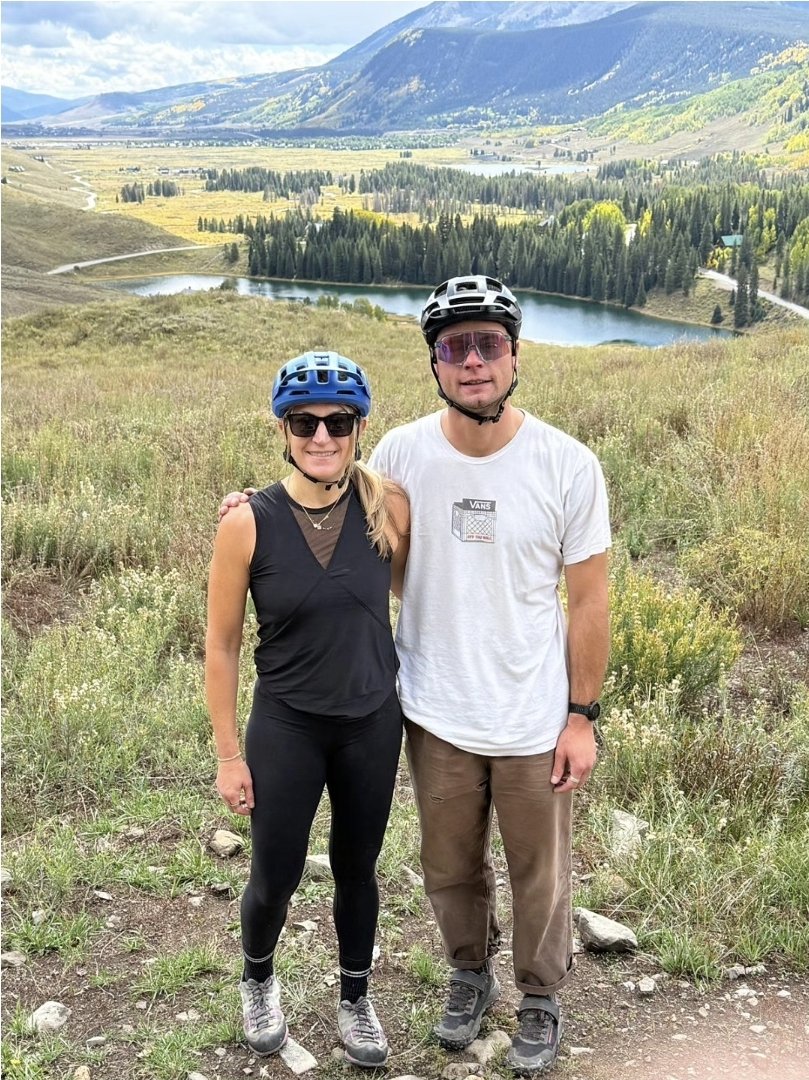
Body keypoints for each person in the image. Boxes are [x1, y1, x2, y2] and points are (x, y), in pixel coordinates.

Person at [221, 276, 611, 1075]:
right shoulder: (399, 456)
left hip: (533, 712)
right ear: (434, 363)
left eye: (488, 343)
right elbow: (322, 499)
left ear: (514, 354)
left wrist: (581, 714)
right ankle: (468, 974)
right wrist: (245, 509)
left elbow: (589, 601)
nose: (473, 362)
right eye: (454, 347)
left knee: (539, 870)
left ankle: (539, 996)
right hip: (432, 708)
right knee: (448, 866)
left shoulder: (567, 464)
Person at [206, 350, 409, 1068]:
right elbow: (222, 644)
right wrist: (228, 755)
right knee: (274, 873)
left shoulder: (387, 506)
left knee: (359, 868)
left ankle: (355, 997)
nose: (321, 437)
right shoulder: (247, 522)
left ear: (359, 428)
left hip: (370, 722)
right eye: (304, 423)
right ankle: (258, 981)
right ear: (282, 430)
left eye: (338, 423)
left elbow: (424, 589)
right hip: (286, 724)